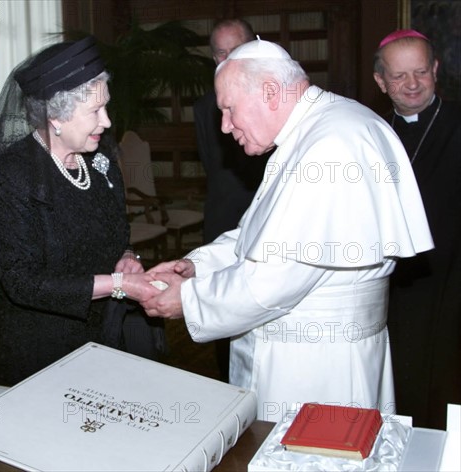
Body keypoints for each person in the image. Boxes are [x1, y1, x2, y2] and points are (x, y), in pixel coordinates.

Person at [141, 39, 434, 422]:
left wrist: (189, 300)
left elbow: (275, 278)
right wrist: (196, 266)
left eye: (229, 109)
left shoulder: (331, 144)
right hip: (308, 355)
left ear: (269, 91)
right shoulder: (315, 131)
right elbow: (258, 237)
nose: (226, 127)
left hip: (319, 369)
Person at [0, 36, 161, 386]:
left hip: (102, 341)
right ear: (55, 116)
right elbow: (22, 282)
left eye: (106, 108)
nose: (105, 122)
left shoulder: (101, 164)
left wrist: (127, 256)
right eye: (94, 112)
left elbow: (118, 234)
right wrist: (119, 284)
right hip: (37, 353)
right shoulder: (11, 176)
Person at [373, 30, 461, 429]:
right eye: (399, 76)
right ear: (380, 81)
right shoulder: (372, 133)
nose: (411, 84)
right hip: (398, 284)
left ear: (436, 71)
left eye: (421, 72)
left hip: (453, 281)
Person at [193, 18, 267, 381]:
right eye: (219, 52)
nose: (227, 59)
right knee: (224, 308)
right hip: (225, 213)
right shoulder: (206, 106)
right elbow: (213, 163)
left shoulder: (276, 96)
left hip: (268, 210)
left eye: (235, 50)